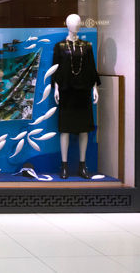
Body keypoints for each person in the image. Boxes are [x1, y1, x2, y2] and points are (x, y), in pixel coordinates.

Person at [52, 13, 100, 180]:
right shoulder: (59, 46)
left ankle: (82, 165)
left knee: (84, 130)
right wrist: (56, 88)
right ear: (67, 24)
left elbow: (91, 67)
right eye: (73, 23)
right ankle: (64, 165)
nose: (76, 25)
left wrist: (95, 88)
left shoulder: (87, 46)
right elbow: (55, 69)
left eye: (78, 23)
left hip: (83, 92)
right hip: (66, 91)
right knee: (65, 129)